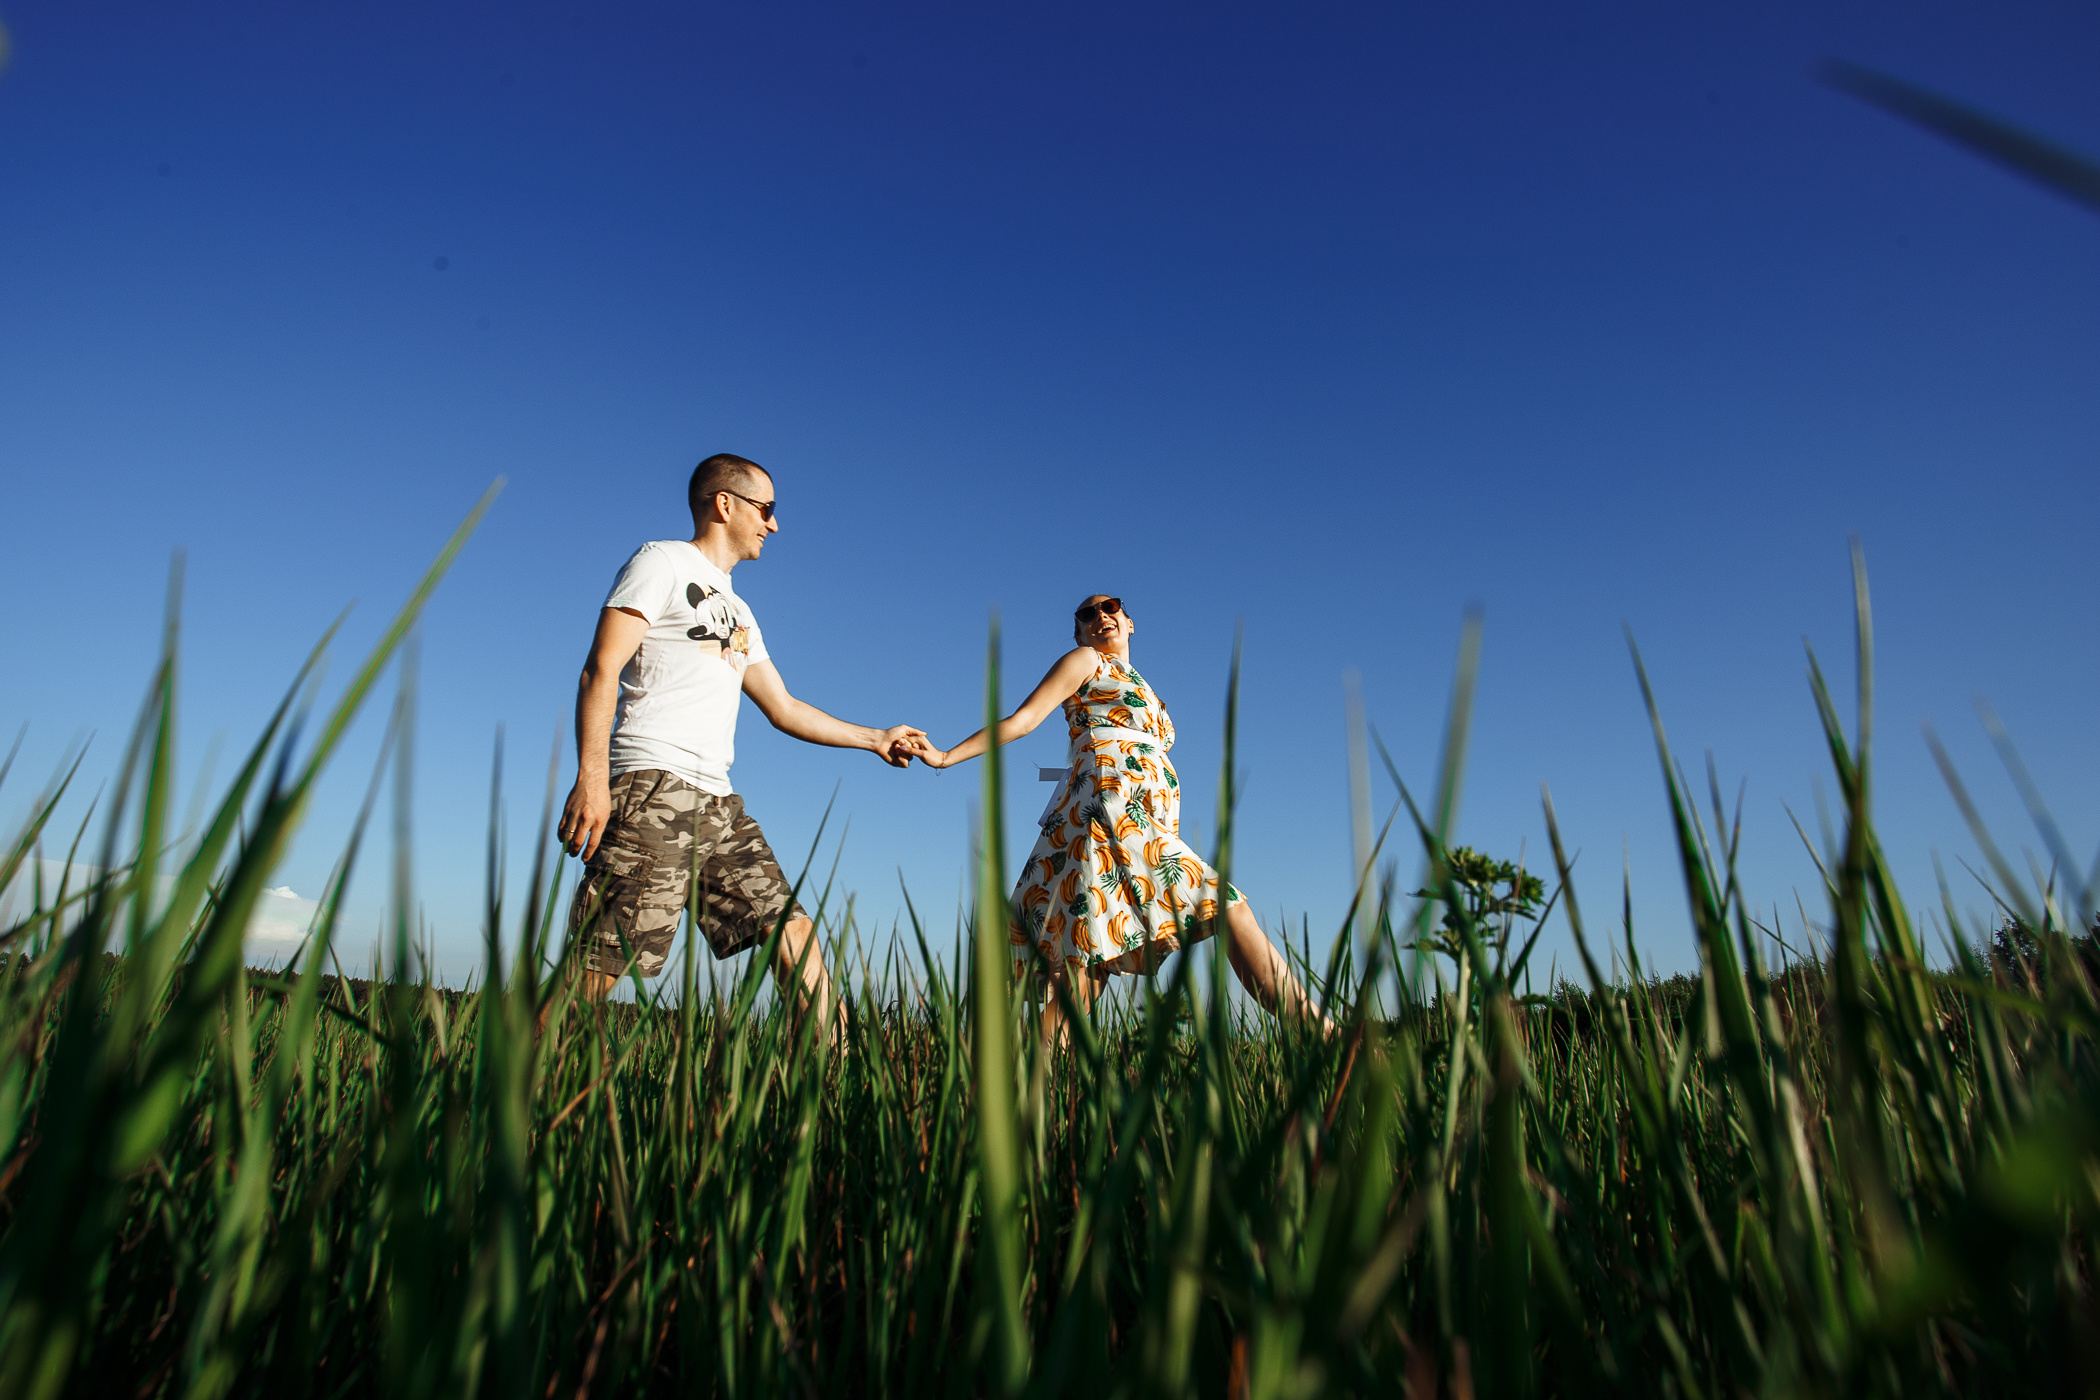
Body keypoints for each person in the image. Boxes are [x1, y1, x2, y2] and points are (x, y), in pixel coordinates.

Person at [555, 452, 924, 1032]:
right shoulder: (662, 562)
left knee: (791, 932)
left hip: (718, 801)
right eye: (767, 509)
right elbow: (601, 668)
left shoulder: (740, 609)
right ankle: (505, 1092)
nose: (774, 525)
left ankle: (825, 1100)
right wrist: (592, 779)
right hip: (653, 785)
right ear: (725, 504)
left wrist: (875, 737)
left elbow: (784, 708)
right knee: (603, 964)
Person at [909, 594, 1326, 1044]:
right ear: (1079, 633)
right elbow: (1024, 720)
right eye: (1087, 614)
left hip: (1144, 817)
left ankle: (1015, 1089)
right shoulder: (1087, 661)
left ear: (1130, 623)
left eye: (1111, 608)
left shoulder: (1143, 685)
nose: (1100, 617)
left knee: (1087, 978)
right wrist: (946, 757)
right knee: (1227, 906)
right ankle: (1325, 1035)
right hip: (1109, 811)